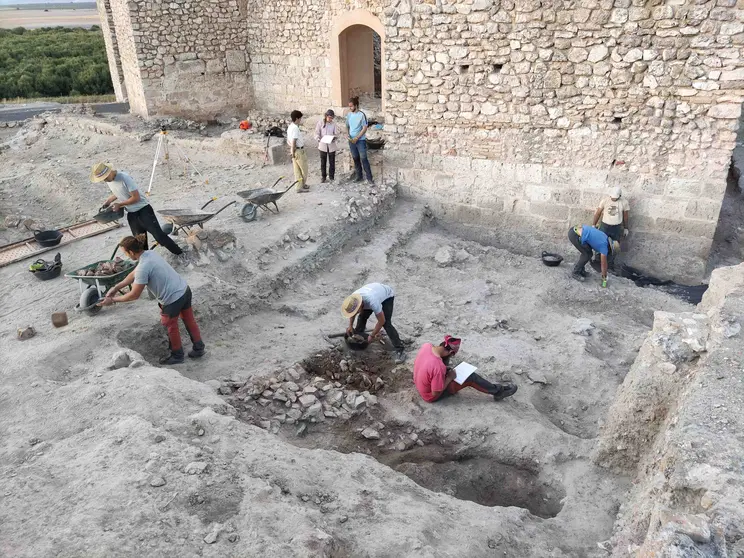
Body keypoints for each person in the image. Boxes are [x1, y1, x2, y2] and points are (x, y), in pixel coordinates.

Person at [100, 234, 205, 365]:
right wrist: (116, 287)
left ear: (131, 252)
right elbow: (134, 273)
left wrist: (114, 300)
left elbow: (134, 295)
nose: (125, 256)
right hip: (184, 289)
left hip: (172, 299)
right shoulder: (149, 254)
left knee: (170, 326)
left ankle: (177, 355)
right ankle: (199, 348)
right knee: (189, 319)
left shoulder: (144, 267)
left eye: (125, 253)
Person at [91, 163, 183, 256]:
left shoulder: (124, 178)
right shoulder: (109, 181)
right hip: (132, 214)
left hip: (143, 210)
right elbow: (118, 191)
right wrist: (108, 201)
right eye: (102, 179)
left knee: (159, 236)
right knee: (140, 242)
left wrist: (120, 204)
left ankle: (180, 253)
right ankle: (148, 262)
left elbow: (136, 197)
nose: (105, 180)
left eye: (105, 177)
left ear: (109, 172)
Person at [413, 335, 518, 402]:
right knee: (471, 378)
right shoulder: (437, 366)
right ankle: (498, 392)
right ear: (450, 352)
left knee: (451, 370)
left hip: (420, 384)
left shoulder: (427, 346)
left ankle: (498, 390)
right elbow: (435, 392)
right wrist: (449, 378)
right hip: (429, 396)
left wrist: (445, 371)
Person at [341, 282, 405, 363]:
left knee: (386, 324)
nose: (356, 313)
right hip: (373, 292)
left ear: (360, 305)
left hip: (386, 297)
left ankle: (400, 349)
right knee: (362, 317)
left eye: (357, 311)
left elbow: (381, 320)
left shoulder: (372, 302)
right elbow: (352, 312)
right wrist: (350, 325)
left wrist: (372, 335)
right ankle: (359, 338)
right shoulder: (353, 299)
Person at [592, 186, 629, 267]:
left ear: (619, 196)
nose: (613, 199)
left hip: (617, 227)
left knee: (615, 246)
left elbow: (625, 216)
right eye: (612, 197)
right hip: (605, 226)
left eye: (615, 198)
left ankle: (610, 264)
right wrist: (594, 224)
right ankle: (597, 262)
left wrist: (626, 228)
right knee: (600, 243)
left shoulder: (624, 202)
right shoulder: (605, 201)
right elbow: (598, 212)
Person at [346, 96, 373, 184]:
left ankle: (369, 178)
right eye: (349, 106)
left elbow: (364, 128)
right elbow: (347, 126)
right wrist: (348, 135)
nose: (350, 108)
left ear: (356, 105)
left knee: (364, 158)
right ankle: (359, 176)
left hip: (360, 140)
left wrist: (357, 137)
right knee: (355, 158)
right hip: (351, 140)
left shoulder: (362, 115)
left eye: (351, 106)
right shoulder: (349, 115)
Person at [287, 110, 310, 193]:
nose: (301, 120)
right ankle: (300, 186)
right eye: (300, 118)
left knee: (297, 170)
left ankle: (300, 185)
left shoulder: (290, 127)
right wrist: (293, 152)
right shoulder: (295, 128)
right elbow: (293, 141)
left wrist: (291, 150)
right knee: (304, 169)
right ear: (297, 118)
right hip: (298, 150)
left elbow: (288, 141)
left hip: (294, 150)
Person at [314, 109, 339, 183]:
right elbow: (316, 133)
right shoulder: (320, 123)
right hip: (322, 145)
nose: (330, 119)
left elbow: (336, 134)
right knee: (323, 162)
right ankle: (323, 177)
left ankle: (331, 177)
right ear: (326, 116)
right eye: (329, 117)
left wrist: (334, 138)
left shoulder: (334, 124)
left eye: (332, 118)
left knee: (332, 162)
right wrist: (318, 139)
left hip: (331, 145)